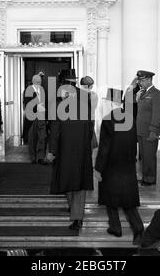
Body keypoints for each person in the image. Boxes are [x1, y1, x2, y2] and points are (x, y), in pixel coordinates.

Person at [95, 88, 144, 245]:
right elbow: (134, 143)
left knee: (111, 199)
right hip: (127, 165)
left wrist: (98, 168)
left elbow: (104, 147)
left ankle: (116, 227)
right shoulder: (130, 118)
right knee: (128, 202)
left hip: (112, 166)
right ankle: (138, 229)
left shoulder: (108, 120)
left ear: (110, 103)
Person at [47, 69, 93, 231]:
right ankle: (77, 215)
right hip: (82, 146)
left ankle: (75, 212)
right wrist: (88, 142)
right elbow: (90, 123)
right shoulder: (86, 96)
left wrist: (52, 150)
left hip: (64, 147)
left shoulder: (58, 98)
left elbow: (55, 127)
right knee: (79, 182)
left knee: (66, 179)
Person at [136, 70, 160, 186]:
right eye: (140, 80)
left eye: (142, 80)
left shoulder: (156, 93)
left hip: (149, 131)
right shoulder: (143, 93)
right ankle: (145, 176)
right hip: (141, 130)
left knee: (149, 156)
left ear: (148, 80)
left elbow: (157, 113)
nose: (140, 83)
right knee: (144, 156)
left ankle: (150, 179)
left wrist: (153, 130)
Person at [25, 74, 48, 165]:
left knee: (42, 137)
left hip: (42, 117)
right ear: (33, 82)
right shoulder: (28, 91)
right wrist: (36, 106)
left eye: (40, 82)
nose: (39, 84)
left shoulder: (43, 90)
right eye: (37, 82)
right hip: (32, 118)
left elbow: (46, 103)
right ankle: (33, 158)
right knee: (32, 138)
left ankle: (41, 157)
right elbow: (27, 104)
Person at [80, 76, 98, 149]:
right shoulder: (94, 95)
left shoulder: (78, 94)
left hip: (82, 119)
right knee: (90, 137)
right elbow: (94, 107)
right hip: (91, 118)